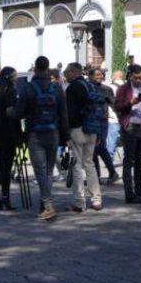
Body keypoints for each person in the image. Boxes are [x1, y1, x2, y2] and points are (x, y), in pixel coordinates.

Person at [11, 55, 68, 221]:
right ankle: (45, 205)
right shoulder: (56, 88)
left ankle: (48, 206)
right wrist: (65, 136)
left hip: (35, 133)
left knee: (40, 171)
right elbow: (63, 113)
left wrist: (9, 111)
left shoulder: (28, 88)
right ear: (48, 69)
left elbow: (18, 113)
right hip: (53, 132)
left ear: (35, 69)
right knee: (49, 171)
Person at [62, 62, 104, 212]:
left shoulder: (72, 88)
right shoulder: (90, 85)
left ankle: (80, 202)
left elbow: (70, 113)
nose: (65, 75)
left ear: (74, 72)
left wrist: (66, 133)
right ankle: (96, 199)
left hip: (77, 129)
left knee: (77, 165)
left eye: (67, 72)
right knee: (89, 163)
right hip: (92, 129)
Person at [114, 64, 141, 204]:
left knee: (140, 160)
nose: (139, 80)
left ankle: (140, 190)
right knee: (129, 160)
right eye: (136, 78)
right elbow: (118, 107)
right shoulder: (123, 89)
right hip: (130, 127)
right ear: (130, 76)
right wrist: (131, 103)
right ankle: (129, 193)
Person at [0, 67, 22, 210]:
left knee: (1, 166)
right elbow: (10, 112)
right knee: (6, 167)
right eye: (15, 76)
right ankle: (5, 198)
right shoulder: (10, 91)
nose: (16, 78)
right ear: (10, 77)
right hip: (7, 132)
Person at [90, 67, 119, 186]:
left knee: (100, 146)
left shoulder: (106, 89)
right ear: (90, 76)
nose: (100, 76)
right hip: (90, 121)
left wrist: (119, 117)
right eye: (97, 75)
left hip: (102, 122)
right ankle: (97, 175)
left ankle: (111, 172)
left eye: (101, 74)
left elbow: (113, 104)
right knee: (93, 148)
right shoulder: (87, 87)